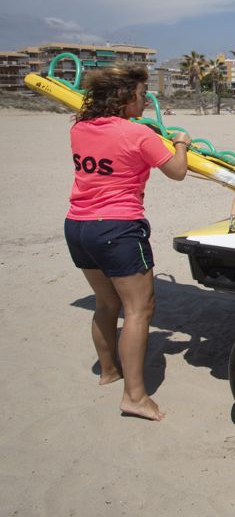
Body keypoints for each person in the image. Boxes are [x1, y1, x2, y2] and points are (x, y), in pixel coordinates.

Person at [64, 65, 190, 421]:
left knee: (106, 303)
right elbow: (178, 171)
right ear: (124, 96)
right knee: (139, 310)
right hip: (117, 229)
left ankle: (108, 370)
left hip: (78, 226)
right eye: (141, 94)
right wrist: (181, 142)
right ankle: (134, 396)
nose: (147, 101)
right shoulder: (137, 135)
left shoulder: (79, 128)